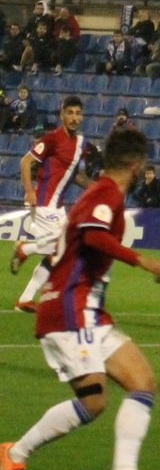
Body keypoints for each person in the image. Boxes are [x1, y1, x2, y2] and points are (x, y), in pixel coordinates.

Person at [1, 126, 160, 470]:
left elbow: (73, 238)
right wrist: (144, 261)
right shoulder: (105, 193)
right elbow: (96, 236)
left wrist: (29, 249)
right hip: (69, 307)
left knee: (143, 382)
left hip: (87, 310)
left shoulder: (96, 193)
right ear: (136, 163)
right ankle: (13, 455)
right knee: (94, 401)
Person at [7, 96, 93, 313]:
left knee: (58, 253)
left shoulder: (81, 144)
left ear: (82, 117)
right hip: (43, 202)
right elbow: (26, 162)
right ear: (62, 114)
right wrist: (29, 191)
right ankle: (26, 248)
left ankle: (25, 300)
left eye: (78, 113)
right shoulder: (52, 138)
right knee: (61, 249)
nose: (74, 118)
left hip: (58, 206)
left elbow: (78, 177)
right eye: (70, 113)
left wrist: (101, 187)